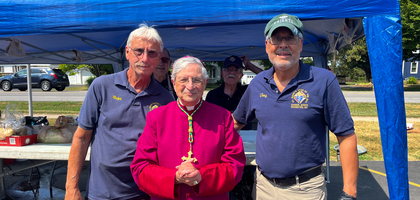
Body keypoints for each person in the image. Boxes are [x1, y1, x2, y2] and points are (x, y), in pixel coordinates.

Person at [232, 14, 359, 200]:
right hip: (263, 188)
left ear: (300, 44)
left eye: (290, 38)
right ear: (267, 46)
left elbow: (346, 135)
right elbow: (235, 123)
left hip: (306, 189)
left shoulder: (323, 80)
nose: (283, 44)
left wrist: (350, 192)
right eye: (276, 39)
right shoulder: (258, 83)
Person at [65, 24, 174, 200]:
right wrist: (71, 187)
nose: (145, 58)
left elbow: (168, 147)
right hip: (102, 192)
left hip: (144, 191)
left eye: (152, 53)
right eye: (139, 51)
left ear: (159, 57)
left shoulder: (165, 99)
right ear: (127, 52)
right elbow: (82, 137)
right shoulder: (102, 86)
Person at [130, 56, 246, 200]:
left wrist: (201, 176)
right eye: (183, 80)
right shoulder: (156, 117)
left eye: (196, 80)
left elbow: (235, 165)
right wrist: (175, 177)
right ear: (173, 82)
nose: (190, 86)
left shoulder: (223, 117)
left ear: (205, 83)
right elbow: (141, 168)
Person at [206, 55, 261, 130]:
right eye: (228, 69)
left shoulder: (248, 91)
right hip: (220, 136)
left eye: (236, 70)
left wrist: (250, 66)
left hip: (245, 136)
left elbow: (270, 80)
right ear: (222, 73)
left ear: (241, 75)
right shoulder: (212, 95)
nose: (232, 72)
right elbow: (206, 119)